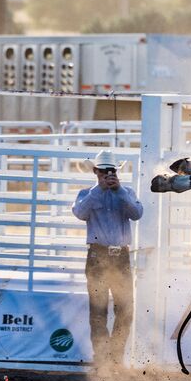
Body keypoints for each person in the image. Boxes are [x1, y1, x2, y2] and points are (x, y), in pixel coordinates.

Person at [72, 150, 143, 369]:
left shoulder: (127, 192)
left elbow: (137, 213)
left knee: (125, 309)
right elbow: (79, 213)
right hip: (98, 256)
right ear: (96, 171)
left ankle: (115, 357)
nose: (107, 175)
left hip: (119, 256)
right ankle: (103, 357)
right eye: (103, 171)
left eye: (111, 171)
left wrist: (118, 190)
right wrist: (99, 190)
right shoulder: (86, 194)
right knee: (98, 310)